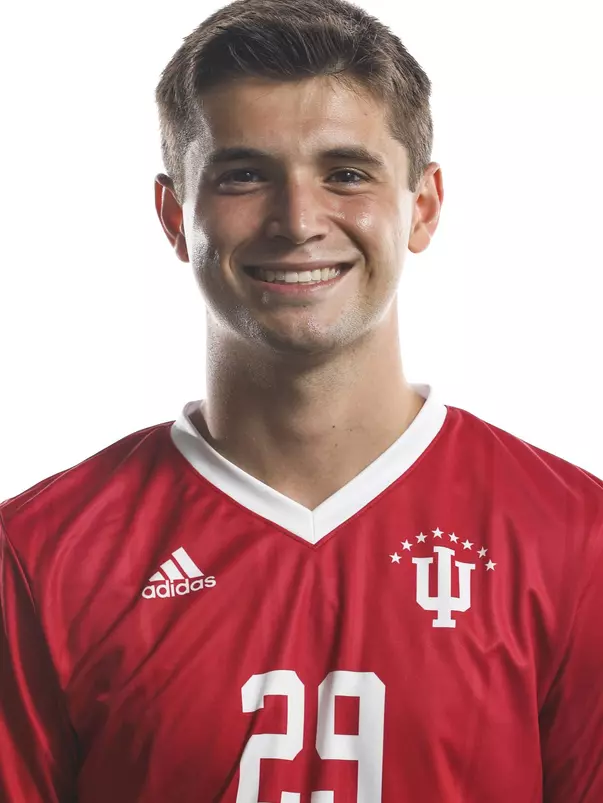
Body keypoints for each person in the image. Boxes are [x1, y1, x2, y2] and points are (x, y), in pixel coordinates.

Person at [1, 0, 602, 800]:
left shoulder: (573, 539)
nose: (297, 221)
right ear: (176, 215)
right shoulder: (42, 555)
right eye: (243, 174)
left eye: (345, 173)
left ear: (421, 206)